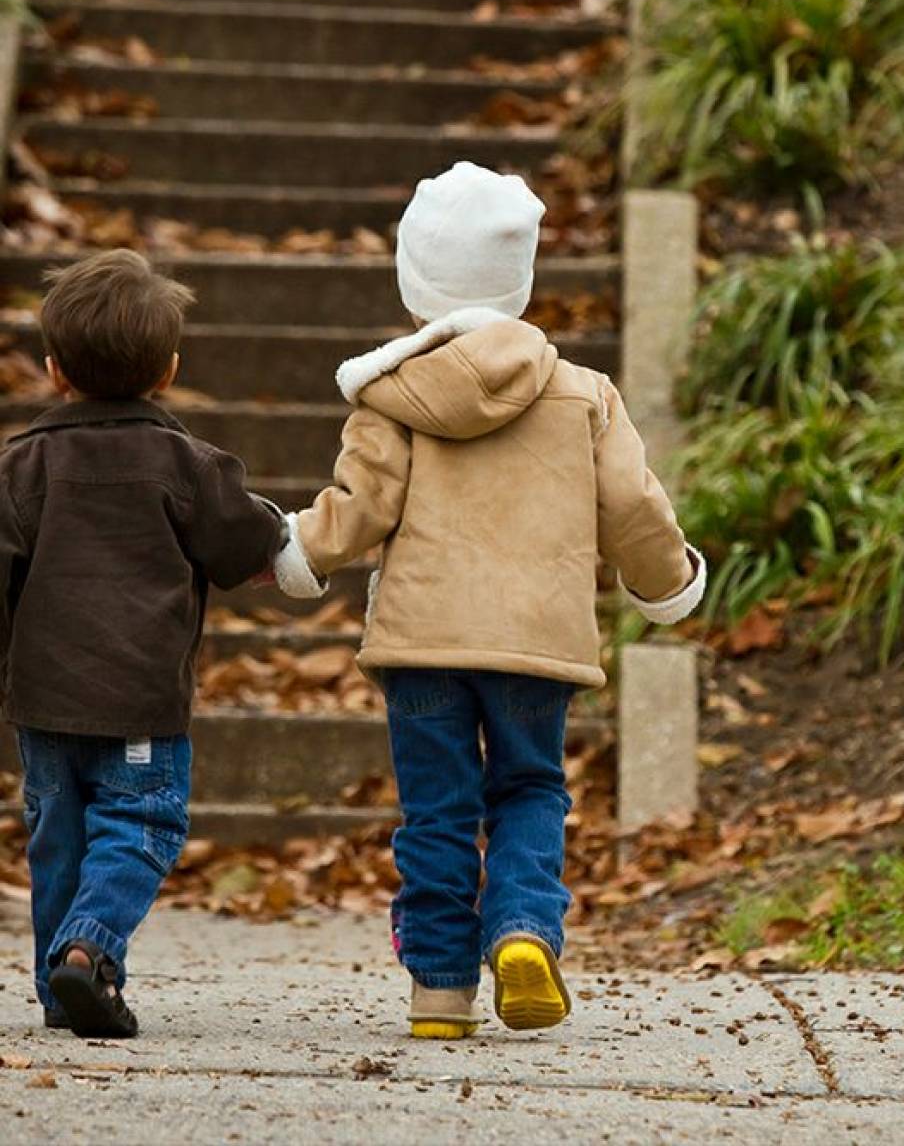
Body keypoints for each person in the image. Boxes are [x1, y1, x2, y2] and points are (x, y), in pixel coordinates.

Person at [273, 162, 704, 1039]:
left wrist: (294, 551)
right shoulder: (584, 394)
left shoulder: (390, 400)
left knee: (438, 810)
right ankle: (520, 932)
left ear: (413, 281)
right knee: (530, 790)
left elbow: (358, 512)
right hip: (534, 646)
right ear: (521, 280)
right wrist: (667, 583)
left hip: (421, 644)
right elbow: (632, 508)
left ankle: (437, 991)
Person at [0, 250, 284, 1038]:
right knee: (141, 827)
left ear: (55, 371)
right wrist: (283, 550)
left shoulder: (18, 469)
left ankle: (61, 993)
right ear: (168, 371)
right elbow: (243, 541)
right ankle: (89, 952)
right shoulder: (185, 465)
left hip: (43, 704)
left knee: (59, 838)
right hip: (141, 703)